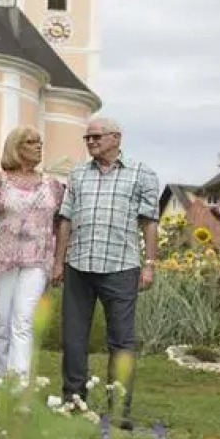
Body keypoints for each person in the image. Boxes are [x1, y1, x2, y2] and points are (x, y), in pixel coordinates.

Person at [51, 117, 159, 422]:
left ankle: (118, 409)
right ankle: (73, 401)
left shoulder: (142, 173)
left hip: (121, 268)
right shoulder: (78, 174)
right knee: (73, 337)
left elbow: (149, 222)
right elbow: (66, 220)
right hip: (79, 266)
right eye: (87, 138)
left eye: (96, 136)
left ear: (116, 138)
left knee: (122, 341)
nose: (90, 142)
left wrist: (149, 264)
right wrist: (59, 261)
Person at [0, 126, 64, 382]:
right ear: (16, 148)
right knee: (2, 323)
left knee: (23, 320)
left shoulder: (53, 185)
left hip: (37, 262)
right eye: (31, 142)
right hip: (1, 261)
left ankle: (18, 384)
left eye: (40, 142)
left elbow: (62, 226)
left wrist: (59, 261)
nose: (38, 147)